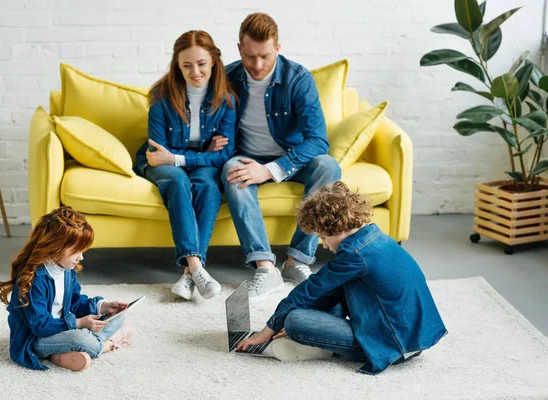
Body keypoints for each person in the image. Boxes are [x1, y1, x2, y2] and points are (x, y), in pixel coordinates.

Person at [236, 182, 448, 375]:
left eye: (323, 237)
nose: (325, 246)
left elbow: (310, 289)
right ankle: (317, 339)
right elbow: (324, 290)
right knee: (325, 297)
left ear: (337, 227)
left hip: (394, 344)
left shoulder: (355, 254)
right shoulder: (373, 238)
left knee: (295, 320)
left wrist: (267, 330)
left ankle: (319, 348)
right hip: (410, 337)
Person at [218, 12, 341, 302]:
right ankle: (265, 267)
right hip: (245, 158)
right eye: (250, 57)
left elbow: (318, 140)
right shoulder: (227, 78)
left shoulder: (298, 78)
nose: (257, 65)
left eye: (265, 56)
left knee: (328, 165)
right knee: (231, 169)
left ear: (277, 48)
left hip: (291, 159)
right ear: (239, 50)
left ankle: (297, 260)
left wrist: (271, 169)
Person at [134, 30, 237, 301]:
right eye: (187, 65)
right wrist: (200, 152)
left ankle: (188, 275)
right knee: (178, 181)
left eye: (201, 63)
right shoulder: (161, 96)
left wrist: (179, 157)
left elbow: (223, 156)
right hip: (160, 162)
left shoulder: (227, 100)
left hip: (186, 161)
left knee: (208, 187)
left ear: (213, 61)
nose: (195, 72)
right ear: (177, 66)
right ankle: (195, 266)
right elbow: (158, 151)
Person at [0, 206, 134, 372]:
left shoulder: (66, 270)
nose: (81, 257)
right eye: (76, 251)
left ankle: (62, 354)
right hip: (37, 338)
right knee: (81, 338)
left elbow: (75, 302)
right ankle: (107, 344)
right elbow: (39, 326)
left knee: (117, 317)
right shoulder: (34, 280)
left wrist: (103, 306)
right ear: (55, 247)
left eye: (82, 251)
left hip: (63, 328)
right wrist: (79, 323)